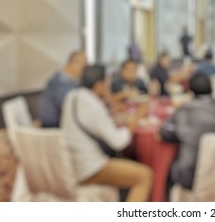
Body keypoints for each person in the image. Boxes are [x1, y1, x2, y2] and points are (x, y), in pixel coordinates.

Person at [61, 65, 152, 202]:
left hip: (71, 164)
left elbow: (90, 121)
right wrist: (138, 117)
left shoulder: (72, 96)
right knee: (144, 176)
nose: (108, 86)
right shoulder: (93, 105)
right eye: (107, 82)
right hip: (89, 168)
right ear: (98, 85)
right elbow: (119, 142)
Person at [159, 73, 215, 190]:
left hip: (193, 177)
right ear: (211, 89)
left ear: (191, 92)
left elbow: (165, 132)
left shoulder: (186, 110)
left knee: (168, 172)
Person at [39, 50, 87, 128]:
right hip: (54, 128)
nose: (85, 71)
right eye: (84, 66)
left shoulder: (73, 83)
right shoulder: (57, 83)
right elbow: (68, 106)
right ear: (73, 63)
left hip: (64, 125)